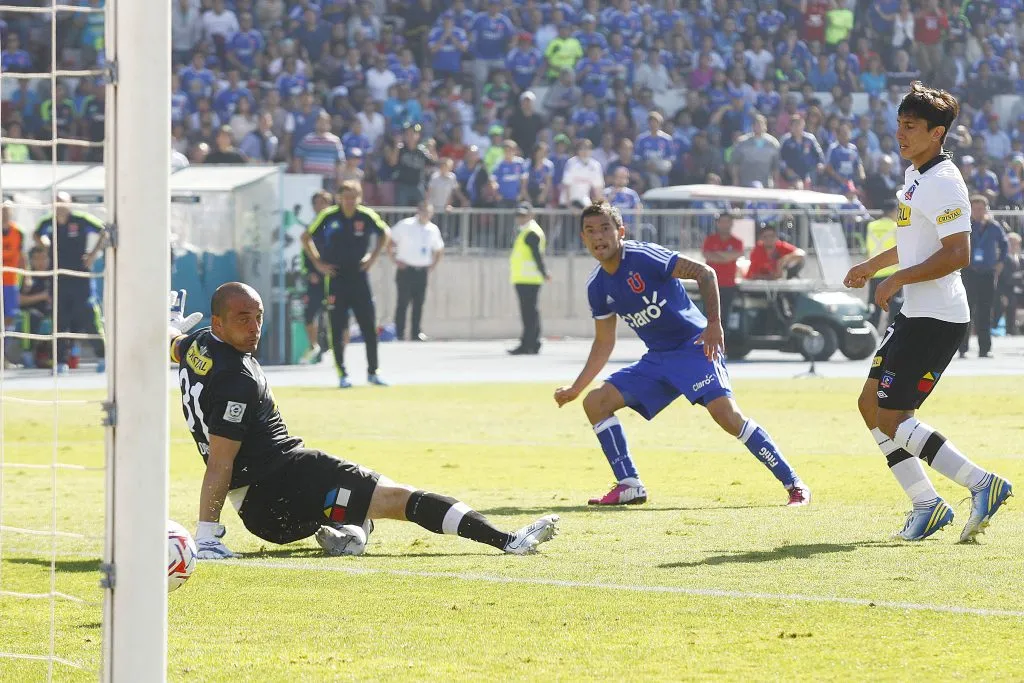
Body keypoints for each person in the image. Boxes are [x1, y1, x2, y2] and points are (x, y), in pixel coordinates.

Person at [167, 285, 558, 559]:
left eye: (258, 317)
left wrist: (168, 324)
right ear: (219, 324)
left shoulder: (199, 343)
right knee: (395, 496)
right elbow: (221, 462)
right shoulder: (239, 379)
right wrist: (207, 535)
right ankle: (508, 540)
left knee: (360, 499)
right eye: (242, 319)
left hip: (262, 516)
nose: (254, 327)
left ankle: (349, 528)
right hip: (285, 480)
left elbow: (173, 345)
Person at [554, 201, 810, 507]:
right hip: (658, 358)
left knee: (726, 416)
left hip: (695, 346)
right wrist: (576, 388)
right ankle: (629, 484)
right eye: (590, 231)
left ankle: (794, 484)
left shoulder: (643, 256)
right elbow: (603, 343)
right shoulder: (597, 286)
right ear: (583, 238)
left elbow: (705, 272)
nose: (598, 237)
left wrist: (714, 324)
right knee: (595, 403)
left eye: (605, 228)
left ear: (621, 231)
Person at [843, 82, 1012, 542]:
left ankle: (982, 483)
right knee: (869, 406)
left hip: (937, 317)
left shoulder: (944, 182)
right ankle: (926, 503)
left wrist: (897, 280)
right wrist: (874, 266)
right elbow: (911, 242)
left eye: (910, 127)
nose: (900, 134)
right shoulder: (917, 175)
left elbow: (958, 253)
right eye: (898, 125)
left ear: (937, 133)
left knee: (894, 419)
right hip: (916, 314)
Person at [301, 180, 390, 388]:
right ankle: (342, 373)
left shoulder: (366, 216)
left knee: (368, 325)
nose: (349, 201)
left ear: (359, 198)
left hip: (359, 276)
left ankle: (373, 371)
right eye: (346, 197)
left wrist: (372, 258)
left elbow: (385, 232)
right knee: (337, 326)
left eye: (353, 197)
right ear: (339, 197)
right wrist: (318, 263)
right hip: (336, 277)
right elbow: (306, 237)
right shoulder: (328, 216)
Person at [34, 192, 107, 373]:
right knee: (60, 320)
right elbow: (36, 234)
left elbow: (104, 230)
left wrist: (93, 254)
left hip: (80, 278)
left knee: (89, 317)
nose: (60, 205)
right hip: (58, 279)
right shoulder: (47, 222)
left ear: (70, 203)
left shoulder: (81, 219)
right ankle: (60, 362)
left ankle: (104, 357)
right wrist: (45, 245)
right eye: (57, 202)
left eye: (63, 202)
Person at [958, 195, 1008, 359]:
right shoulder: (965, 225)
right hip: (969, 272)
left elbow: (1004, 243)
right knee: (966, 311)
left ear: (986, 209)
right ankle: (962, 349)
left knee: (985, 311)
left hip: (987, 273)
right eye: (975, 209)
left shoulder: (994, 226)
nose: (978, 212)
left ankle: (984, 349)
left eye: (981, 209)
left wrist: (1000, 262)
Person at [390, 200, 444, 341]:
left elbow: (438, 249)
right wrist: (394, 259)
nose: (426, 215)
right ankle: (399, 333)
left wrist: (433, 265)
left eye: (429, 212)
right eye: (424, 211)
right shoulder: (405, 225)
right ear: (418, 211)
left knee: (419, 303)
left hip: (422, 270)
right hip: (406, 269)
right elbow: (390, 240)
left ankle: (416, 332)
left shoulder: (432, 229)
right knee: (402, 302)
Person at [508, 201, 549, 355]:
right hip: (525, 278)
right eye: (518, 215)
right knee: (531, 312)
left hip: (528, 279)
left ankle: (529, 343)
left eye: (523, 215)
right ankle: (532, 342)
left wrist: (544, 272)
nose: (520, 218)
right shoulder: (526, 230)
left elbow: (536, 255)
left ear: (531, 215)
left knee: (529, 313)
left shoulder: (531, 232)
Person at [298, 190, 334, 365]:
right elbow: (304, 254)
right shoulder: (311, 228)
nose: (321, 207)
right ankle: (314, 346)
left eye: (325, 203)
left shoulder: (336, 225)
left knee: (334, 313)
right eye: (318, 203)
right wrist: (310, 273)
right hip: (315, 279)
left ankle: (335, 349)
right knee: (310, 313)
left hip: (334, 277)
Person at [701, 210, 744, 328]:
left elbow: (734, 255)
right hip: (710, 283)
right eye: (722, 222)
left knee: (724, 316)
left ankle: (723, 343)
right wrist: (726, 256)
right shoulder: (709, 239)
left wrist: (718, 255)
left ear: (731, 223)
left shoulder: (737, 242)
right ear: (717, 223)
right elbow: (708, 255)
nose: (725, 224)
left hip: (728, 284)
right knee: (707, 315)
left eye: (727, 222)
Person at [865, 198, 902, 327]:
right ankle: (890, 337)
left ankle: (872, 335)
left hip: (875, 271)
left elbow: (869, 247)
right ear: (893, 211)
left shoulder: (871, 226)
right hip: (892, 273)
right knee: (894, 310)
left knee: (874, 309)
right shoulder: (896, 227)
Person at [2, 202, 24, 338]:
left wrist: (26, 277)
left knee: (10, 316)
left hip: (10, 281)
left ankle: (4, 352)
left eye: (6, 211)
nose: (4, 214)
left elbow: (22, 255)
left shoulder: (18, 232)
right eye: (2, 211)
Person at [994, 232, 1022, 336]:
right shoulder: (1003, 259)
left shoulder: (1020, 258)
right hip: (1006, 291)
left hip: (1019, 291)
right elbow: (1004, 278)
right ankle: (1007, 329)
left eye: (1017, 244)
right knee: (1009, 301)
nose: (1016, 246)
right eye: (1013, 243)